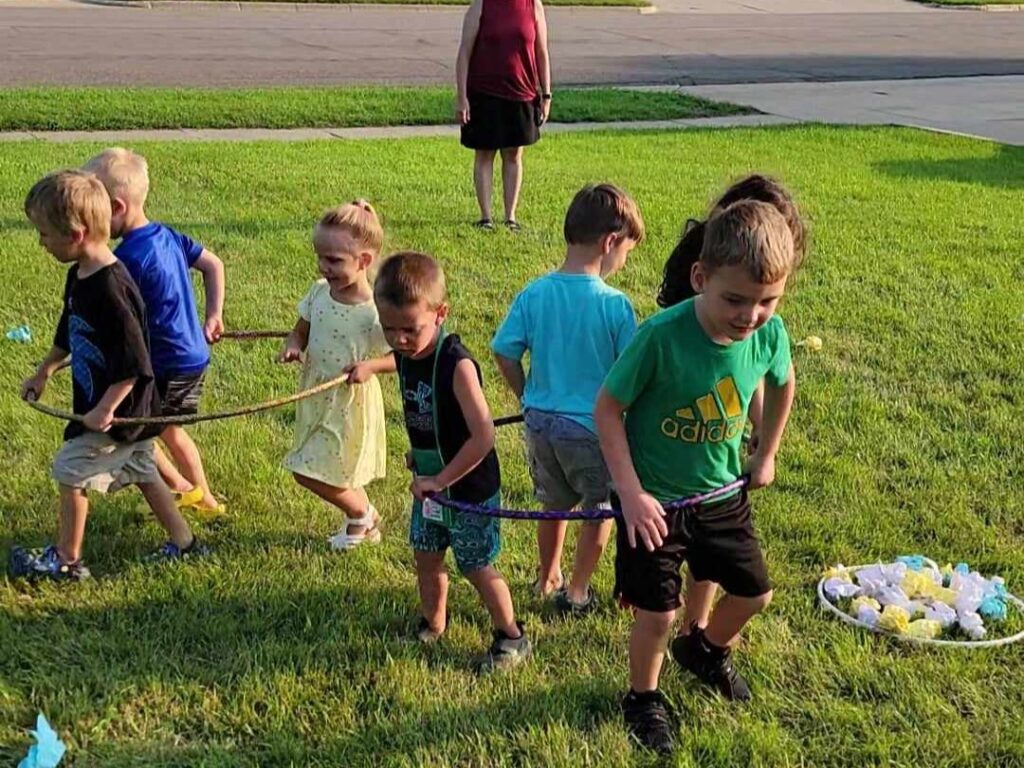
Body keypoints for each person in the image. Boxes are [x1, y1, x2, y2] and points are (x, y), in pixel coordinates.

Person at [595, 200, 799, 754]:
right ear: (700, 278)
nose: (751, 315)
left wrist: (767, 451)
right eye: (735, 299)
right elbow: (608, 408)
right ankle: (643, 697)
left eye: (767, 301)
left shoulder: (768, 333)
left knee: (755, 593)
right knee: (657, 613)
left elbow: (783, 384)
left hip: (721, 493)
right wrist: (631, 494)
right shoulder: (661, 337)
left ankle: (704, 649)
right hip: (654, 505)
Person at [12, 170, 206, 583]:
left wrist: (105, 407)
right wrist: (44, 369)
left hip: (122, 409)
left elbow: (136, 362)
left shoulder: (113, 287)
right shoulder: (80, 273)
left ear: (77, 234)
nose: (40, 243)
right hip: (113, 405)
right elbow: (69, 329)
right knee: (143, 469)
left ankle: (68, 559)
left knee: (69, 470)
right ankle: (185, 543)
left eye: (45, 234)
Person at [655, 174, 806, 651]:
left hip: (721, 425)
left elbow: (752, 369)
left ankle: (696, 627)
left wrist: (763, 439)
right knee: (692, 521)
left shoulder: (759, 319)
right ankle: (686, 618)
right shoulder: (695, 289)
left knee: (715, 530)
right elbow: (713, 370)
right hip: (682, 424)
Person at [374, 251, 531, 673]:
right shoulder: (407, 358)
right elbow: (431, 417)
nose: (400, 340)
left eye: (410, 329)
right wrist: (422, 453)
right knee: (426, 554)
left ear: (440, 313)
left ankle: (512, 636)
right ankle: (433, 620)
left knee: (476, 564)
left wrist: (441, 477)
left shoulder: (457, 365)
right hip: (431, 481)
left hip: (468, 488)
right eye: (389, 329)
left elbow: (483, 436)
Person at [492, 183, 643, 615]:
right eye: (626, 253)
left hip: (540, 424)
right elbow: (629, 373)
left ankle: (546, 576)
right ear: (610, 241)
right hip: (591, 430)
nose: (623, 263)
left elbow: (504, 350)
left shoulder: (535, 292)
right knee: (597, 508)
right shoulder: (615, 305)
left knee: (553, 505)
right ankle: (576, 590)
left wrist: (527, 396)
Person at [84, 148, 227, 520]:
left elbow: (120, 320)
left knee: (152, 431)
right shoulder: (166, 235)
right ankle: (187, 490)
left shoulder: (128, 260)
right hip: (188, 354)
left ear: (116, 208)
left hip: (167, 362)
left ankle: (200, 496)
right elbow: (214, 265)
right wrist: (213, 316)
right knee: (153, 428)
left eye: (92, 207)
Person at [278, 201, 393, 550]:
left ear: (364, 261)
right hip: (317, 394)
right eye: (320, 257)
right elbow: (300, 331)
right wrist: (293, 346)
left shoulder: (373, 312)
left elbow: (400, 358)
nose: (323, 267)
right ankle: (360, 518)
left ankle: (362, 514)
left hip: (348, 403)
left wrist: (370, 367)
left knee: (310, 470)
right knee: (327, 467)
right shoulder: (318, 292)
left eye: (334, 260)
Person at [455, 0, 551, 231]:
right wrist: (462, 97)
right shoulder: (481, 5)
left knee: (514, 155)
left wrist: (546, 94)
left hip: (522, 93)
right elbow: (464, 54)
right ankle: (485, 217)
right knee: (484, 154)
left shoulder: (533, 5)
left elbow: (541, 52)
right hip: (484, 92)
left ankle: (510, 217)